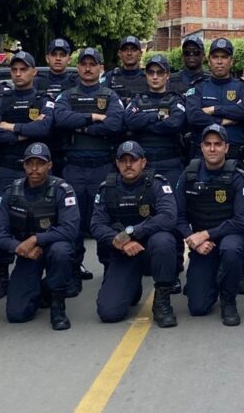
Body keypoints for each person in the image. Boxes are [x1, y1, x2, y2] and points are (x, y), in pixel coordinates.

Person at [0, 51, 54, 299]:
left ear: (34, 72)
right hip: (7, 168)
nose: (19, 74)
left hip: (39, 171)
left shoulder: (44, 99)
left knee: (44, 219)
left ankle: (46, 274)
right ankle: (2, 275)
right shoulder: (1, 100)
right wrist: (25, 133)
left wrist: (10, 127)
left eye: (24, 69)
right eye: (14, 70)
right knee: (2, 222)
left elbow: (44, 128)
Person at [0, 143, 81, 330]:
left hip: (52, 249)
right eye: (30, 163)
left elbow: (70, 229)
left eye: (40, 164)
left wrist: (36, 240)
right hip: (27, 253)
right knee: (17, 314)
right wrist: (17, 246)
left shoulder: (62, 190)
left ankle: (58, 307)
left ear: (49, 165)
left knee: (61, 251)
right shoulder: (11, 192)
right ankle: (40, 289)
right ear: (24, 165)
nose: (34, 169)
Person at [54, 47, 124, 279]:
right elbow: (61, 118)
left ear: (101, 68)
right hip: (73, 167)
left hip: (102, 167)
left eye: (93, 64)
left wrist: (80, 126)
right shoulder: (67, 95)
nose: (87, 68)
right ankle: (74, 269)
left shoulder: (110, 96)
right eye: (83, 63)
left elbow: (114, 124)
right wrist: (93, 118)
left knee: (103, 220)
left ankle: (109, 268)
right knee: (72, 221)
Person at [91, 141, 179, 327]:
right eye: (124, 160)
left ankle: (162, 302)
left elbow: (169, 217)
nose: (128, 165)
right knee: (109, 313)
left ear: (143, 162)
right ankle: (132, 286)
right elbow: (97, 225)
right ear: (117, 163)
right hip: (124, 252)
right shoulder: (107, 188)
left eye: (134, 160)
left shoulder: (157, 184)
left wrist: (132, 233)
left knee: (164, 241)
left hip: (150, 251)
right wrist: (121, 242)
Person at [176, 124, 244, 325]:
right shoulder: (188, 175)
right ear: (201, 147)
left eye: (217, 144)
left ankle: (229, 299)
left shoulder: (239, 177)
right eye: (208, 144)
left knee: (231, 249)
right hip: (202, 246)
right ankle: (213, 276)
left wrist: (205, 234)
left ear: (226, 147)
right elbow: (179, 217)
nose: (212, 149)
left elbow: (241, 221)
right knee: (197, 308)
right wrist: (193, 240)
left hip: (230, 237)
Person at [125, 54, 187, 293]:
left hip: (170, 164)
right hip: (144, 167)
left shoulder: (176, 99)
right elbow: (129, 121)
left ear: (167, 76)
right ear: (146, 75)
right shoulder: (137, 99)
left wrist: (145, 120)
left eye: (160, 73)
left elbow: (175, 124)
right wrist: (158, 116)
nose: (155, 77)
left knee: (172, 216)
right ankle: (143, 264)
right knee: (141, 213)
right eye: (151, 73)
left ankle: (174, 270)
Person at [185, 38, 244, 167]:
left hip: (236, 159)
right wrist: (223, 121)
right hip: (203, 160)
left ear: (231, 61)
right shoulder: (198, 87)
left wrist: (213, 110)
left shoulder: (242, 86)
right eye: (215, 57)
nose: (219, 61)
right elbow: (193, 116)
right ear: (209, 60)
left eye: (224, 57)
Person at [102, 36, 147, 106]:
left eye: (134, 50)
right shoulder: (109, 77)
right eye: (125, 50)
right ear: (119, 53)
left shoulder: (148, 78)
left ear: (140, 54)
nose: (129, 53)